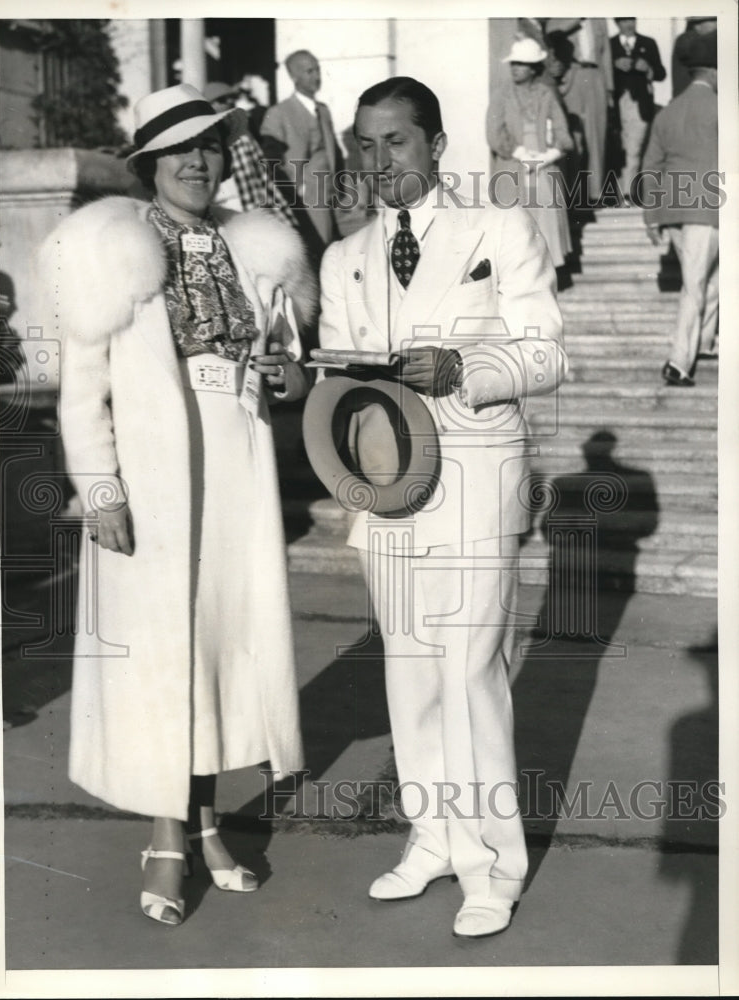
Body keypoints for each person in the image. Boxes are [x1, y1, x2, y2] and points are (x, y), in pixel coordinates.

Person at [39, 84, 316, 925]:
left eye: (211, 147)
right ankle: (166, 835)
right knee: (166, 649)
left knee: (221, 643)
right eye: (180, 150)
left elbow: (291, 358)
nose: (198, 162)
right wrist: (103, 489)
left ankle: (202, 820)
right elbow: (80, 392)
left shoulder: (253, 247)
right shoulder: (111, 249)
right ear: (150, 164)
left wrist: (292, 377)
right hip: (154, 474)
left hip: (236, 463)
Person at [318, 77, 567, 937]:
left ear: (435, 144)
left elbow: (546, 356)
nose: (381, 161)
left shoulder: (497, 227)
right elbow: (344, 379)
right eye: (365, 144)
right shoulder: (342, 255)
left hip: (473, 473)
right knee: (410, 668)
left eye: (397, 141)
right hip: (385, 482)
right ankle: (432, 836)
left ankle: (492, 866)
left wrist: (470, 371)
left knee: (469, 670)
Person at [641, 32, 719, 386]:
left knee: (713, 279)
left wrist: (651, 215)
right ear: (715, 73)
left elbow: (650, 166)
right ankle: (678, 361)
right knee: (695, 285)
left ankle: (703, 341)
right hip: (707, 210)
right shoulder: (722, 109)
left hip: (673, 211)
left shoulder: (668, 112)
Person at [487, 36, 574, 269]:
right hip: (512, 168)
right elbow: (494, 133)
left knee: (544, 223)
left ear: (534, 68)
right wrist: (520, 153)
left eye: (522, 64)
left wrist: (546, 157)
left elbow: (563, 134)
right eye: (513, 63)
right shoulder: (501, 95)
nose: (515, 68)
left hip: (543, 170)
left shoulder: (546, 94)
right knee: (514, 227)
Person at [260, 50, 343, 252]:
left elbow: (334, 152)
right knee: (317, 250)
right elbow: (270, 160)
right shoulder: (278, 113)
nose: (316, 76)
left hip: (331, 194)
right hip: (305, 197)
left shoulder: (323, 110)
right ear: (294, 77)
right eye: (309, 71)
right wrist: (297, 190)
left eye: (318, 70)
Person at [203, 81, 299, 230]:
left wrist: (283, 219)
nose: (228, 104)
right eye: (221, 101)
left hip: (251, 211)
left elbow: (264, 180)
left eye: (231, 99)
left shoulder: (244, 138)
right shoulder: (203, 143)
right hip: (220, 214)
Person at [544, 17, 613, 204]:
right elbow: (551, 34)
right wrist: (576, 18)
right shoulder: (561, 12)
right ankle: (572, 193)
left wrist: (609, 88)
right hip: (570, 76)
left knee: (596, 137)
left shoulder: (599, 19)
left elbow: (605, 52)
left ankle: (594, 193)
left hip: (595, 75)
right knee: (573, 137)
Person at [610, 18, 666, 199]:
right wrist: (614, 64)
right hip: (615, 105)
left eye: (631, 19)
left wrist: (648, 69)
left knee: (634, 147)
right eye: (624, 20)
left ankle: (628, 193)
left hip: (639, 103)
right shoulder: (609, 44)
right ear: (617, 23)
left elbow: (661, 73)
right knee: (619, 148)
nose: (629, 24)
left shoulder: (647, 43)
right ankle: (621, 192)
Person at [672, 17, 717, 100]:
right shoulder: (686, 39)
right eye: (712, 21)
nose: (717, 24)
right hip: (690, 100)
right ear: (697, 26)